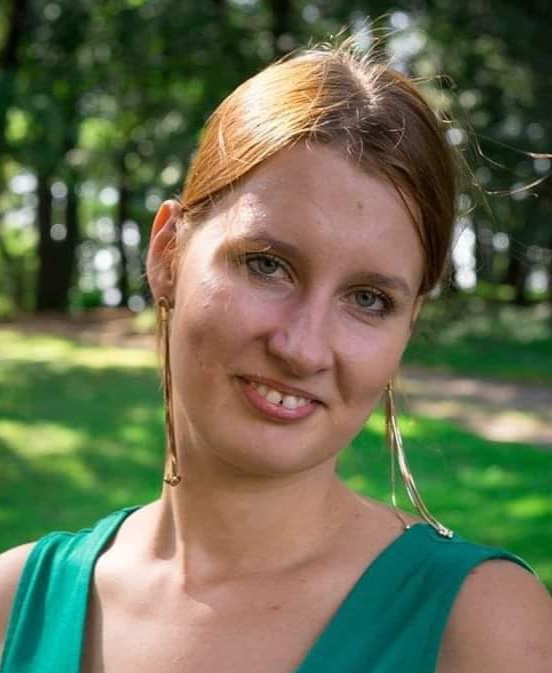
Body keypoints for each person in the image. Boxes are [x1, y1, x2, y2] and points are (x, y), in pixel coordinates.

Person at [1, 41, 551, 673]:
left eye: (368, 299)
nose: (302, 348)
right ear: (167, 255)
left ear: (408, 325)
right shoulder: (12, 609)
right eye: (267, 265)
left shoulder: (483, 628)